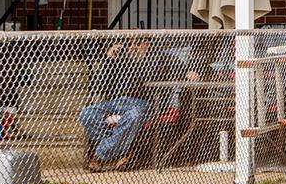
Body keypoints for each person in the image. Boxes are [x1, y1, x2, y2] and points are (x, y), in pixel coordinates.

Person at [79, 38, 198, 170]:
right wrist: (108, 60)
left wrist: (191, 73)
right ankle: (122, 152)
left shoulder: (161, 58)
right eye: (128, 44)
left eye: (136, 43)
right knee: (87, 113)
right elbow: (100, 85)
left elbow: (185, 71)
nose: (131, 47)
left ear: (146, 43)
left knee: (134, 115)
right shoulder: (120, 59)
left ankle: (101, 156)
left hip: (145, 103)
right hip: (117, 102)